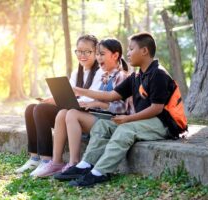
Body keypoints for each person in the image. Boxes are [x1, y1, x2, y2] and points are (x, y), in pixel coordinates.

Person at [64, 32, 178, 187]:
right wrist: (79, 90)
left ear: (144, 51)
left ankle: (100, 172)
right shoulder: (136, 76)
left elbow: (157, 109)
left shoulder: (158, 74)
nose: (128, 53)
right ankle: (86, 164)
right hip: (144, 121)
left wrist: (128, 119)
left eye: (131, 49)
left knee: (126, 129)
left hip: (163, 124)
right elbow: (110, 95)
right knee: (102, 125)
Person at [30, 38, 134, 178]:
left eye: (101, 54)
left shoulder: (121, 76)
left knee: (72, 114)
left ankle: (74, 162)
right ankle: (56, 162)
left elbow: (122, 108)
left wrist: (96, 103)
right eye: (97, 54)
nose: (98, 58)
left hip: (110, 122)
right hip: (98, 117)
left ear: (115, 56)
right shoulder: (104, 76)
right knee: (62, 113)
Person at [15, 34, 103, 175]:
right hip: (70, 111)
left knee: (41, 109)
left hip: (82, 115)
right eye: (79, 51)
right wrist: (52, 98)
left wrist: (55, 101)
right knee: (30, 108)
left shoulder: (100, 73)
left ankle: (47, 160)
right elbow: (69, 96)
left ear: (96, 52)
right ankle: (34, 158)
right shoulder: (77, 72)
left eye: (87, 51)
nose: (82, 55)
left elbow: (87, 101)